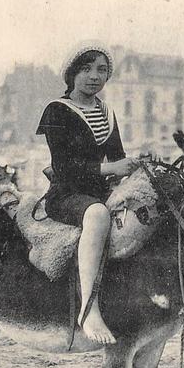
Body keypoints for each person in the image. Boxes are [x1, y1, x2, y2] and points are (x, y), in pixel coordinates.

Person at [36, 44, 139, 344]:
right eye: (86, 69)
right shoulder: (57, 110)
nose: (94, 76)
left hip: (100, 192)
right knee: (97, 214)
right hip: (66, 195)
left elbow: (117, 157)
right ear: (71, 74)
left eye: (102, 70)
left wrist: (132, 167)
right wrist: (112, 169)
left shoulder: (106, 112)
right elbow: (65, 168)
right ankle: (89, 309)